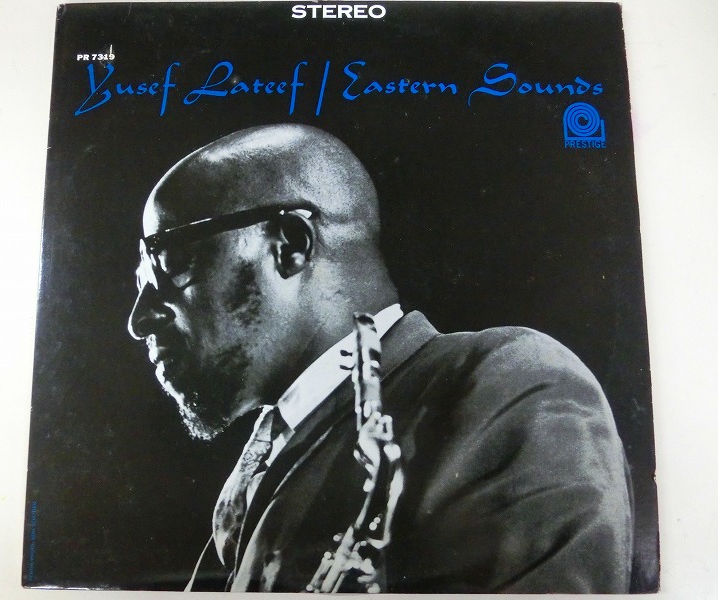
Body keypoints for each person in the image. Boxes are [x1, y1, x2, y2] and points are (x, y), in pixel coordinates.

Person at [127, 124, 634, 593]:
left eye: (168, 261)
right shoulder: (260, 473)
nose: (138, 319)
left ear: (290, 245)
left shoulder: (511, 383)